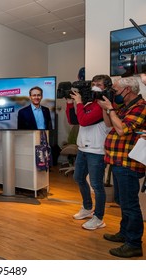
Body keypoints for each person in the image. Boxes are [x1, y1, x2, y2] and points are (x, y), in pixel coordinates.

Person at [97, 76, 146, 258]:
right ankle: (124, 233)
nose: (114, 94)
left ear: (128, 90)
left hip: (128, 163)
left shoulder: (141, 107)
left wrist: (110, 108)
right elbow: (109, 123)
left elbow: (121, 129)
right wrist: (105, 108)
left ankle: (134, 244)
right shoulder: (126, 106)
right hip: (118, 161)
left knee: (130, 204)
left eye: (116, 91)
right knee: (122, 202)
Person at [65, 74, 112, 230]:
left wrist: (79, 103)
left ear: (106, 88)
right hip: (83, 149)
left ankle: (98, 217)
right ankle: (87, 208)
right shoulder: (89, 103)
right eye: (93, 84)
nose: (95, 86)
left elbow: (84, 121)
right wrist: (70, 104)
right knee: (78, 178)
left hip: (96, 151)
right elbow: (74, 121)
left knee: (97, 185)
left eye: (98, 84)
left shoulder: (103, 105)